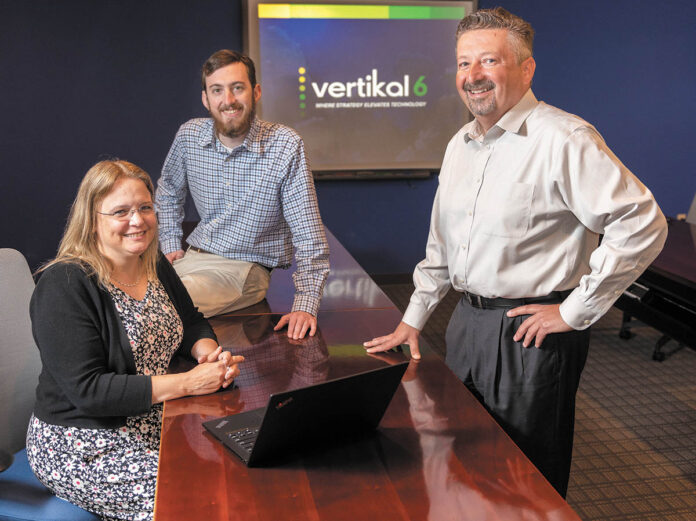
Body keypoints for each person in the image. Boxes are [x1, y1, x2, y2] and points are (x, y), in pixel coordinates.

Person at [365, 7, 667, 497]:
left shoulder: (563, 138)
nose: (474, 76)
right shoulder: (460, 143)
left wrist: (575, 310)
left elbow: (641, 222)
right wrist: (414, 317)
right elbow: (443, 245)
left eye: (489, 61)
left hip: (530, 333)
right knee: (459, 459)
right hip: (465, 325)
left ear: (526, 69)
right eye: (464, 64)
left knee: (525, 481)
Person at [27, 160, 244, 520]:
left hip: (154, 422)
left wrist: (208, 355)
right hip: (82, 442)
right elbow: (89, 391)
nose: (137, 221)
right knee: (197, 502)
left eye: (145, 207)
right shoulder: (64, 284)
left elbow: (190, 321)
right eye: (120, 212)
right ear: (92, 219)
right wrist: (189, 383)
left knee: (238, 476)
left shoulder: (151, 261)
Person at [155, 49, 330, 340]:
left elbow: (308, 232)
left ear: (255, 92)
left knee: (158, 306)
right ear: (205, 99)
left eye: (238, 88)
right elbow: (169, 190)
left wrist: (306, 304)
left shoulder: (285, 145)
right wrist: (171, 241)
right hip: (191, 258)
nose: (229, 100)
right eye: (217, 90)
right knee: (114, 293)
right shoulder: (189, 136)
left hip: (243, 270)